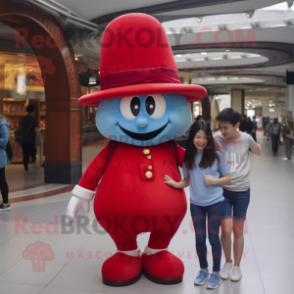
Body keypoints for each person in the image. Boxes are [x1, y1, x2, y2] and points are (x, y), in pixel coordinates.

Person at [165, 121, 231, 289]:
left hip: (216, 203)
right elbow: (187, 181)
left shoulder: (217, 156)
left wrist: (213, 180)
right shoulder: (188, 156)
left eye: (205, 137)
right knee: (200, 238)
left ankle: (216, 273)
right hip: (197, 205)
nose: (201, 141)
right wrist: (174, 183)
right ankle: (204, 270)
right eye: (197, 137)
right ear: (192, 138)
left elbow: (228, 178)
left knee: (213, 238)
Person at [214, 108, 261, 282]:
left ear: (237, 125)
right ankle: (227, 262)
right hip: (223, 192)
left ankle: (236, 267)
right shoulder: (216, 138)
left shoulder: (246, 138)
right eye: (220, 127)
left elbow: (258, 151)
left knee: (238, 230)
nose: (223, 131)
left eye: (226, 128)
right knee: (225, 231)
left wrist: (253, 144)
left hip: (242, 192)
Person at [19, 105, 41, 174]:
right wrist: (40, 139)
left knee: (25, 155)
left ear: (27, 110)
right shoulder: (34, 120)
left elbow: (20, 129)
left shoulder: (22, 119)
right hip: (32, 140)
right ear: (33, 111)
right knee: (33, 153)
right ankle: (33, 163)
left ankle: (26, 169)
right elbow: (36, 130)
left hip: (24, 140)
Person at [0, 114, 11, 211]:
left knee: (1, 180)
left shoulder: (3, 124)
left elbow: (4, 141)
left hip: (0, 156)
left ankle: (6, 203)